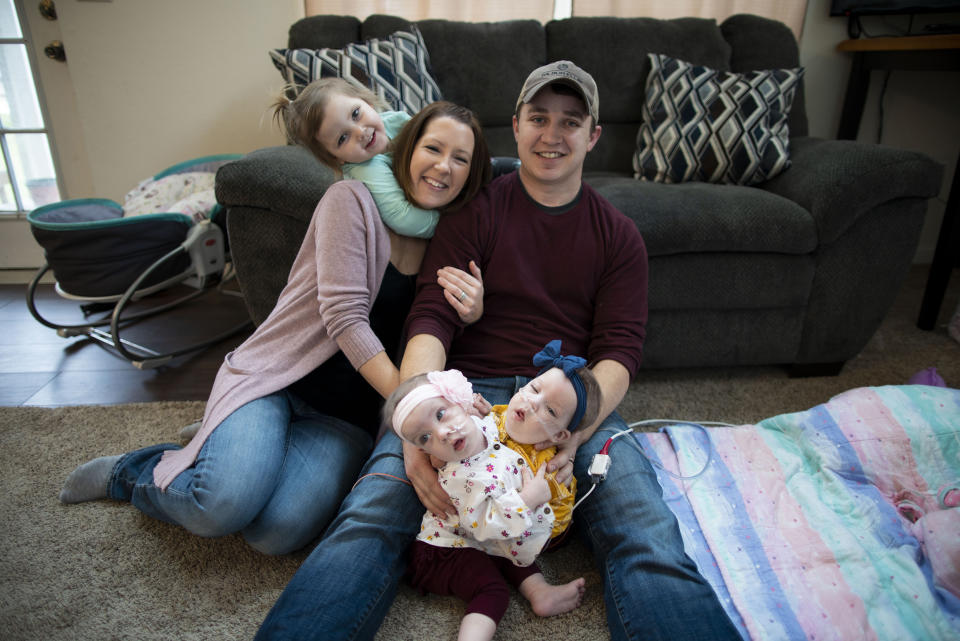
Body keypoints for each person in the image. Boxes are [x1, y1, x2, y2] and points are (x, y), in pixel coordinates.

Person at [254, 61, 739, 641]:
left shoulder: (619, 237)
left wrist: (581, 426)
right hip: (464, 394)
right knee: (370, 517)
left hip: (563, 402)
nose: (552, 135)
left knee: (646, 529)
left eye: (570, 122)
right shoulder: (471, 211)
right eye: (538, 118)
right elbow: (429, 319)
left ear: (593, 136)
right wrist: (414, 425)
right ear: (516, 126)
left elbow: (619, 353)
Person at [58, 100, 492, 557]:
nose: (444, 166)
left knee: (275, 534)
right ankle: (133, 472)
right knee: (219, 507)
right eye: (433, 148)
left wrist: (472, 315)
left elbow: (430, 342)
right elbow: (344, 318)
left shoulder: (449, 237)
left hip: (343, 420)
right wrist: (411, 413)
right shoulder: (349, 201)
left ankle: (222, 445)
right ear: (408, 147)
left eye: (460, 158)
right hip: (277, 381)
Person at [386, 365, 593, 641]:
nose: (443, 433)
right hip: (444, 551)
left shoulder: (483, 428)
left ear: (461, 404)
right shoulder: (466, 476)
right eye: (426, 437)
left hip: (477, 536)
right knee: (492, 589)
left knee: (510, 551)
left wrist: (482, 413)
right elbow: (489, 526)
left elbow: (498, 429)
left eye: (441, 414)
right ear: (424, 451)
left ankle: (538, 591)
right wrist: (528, 498)